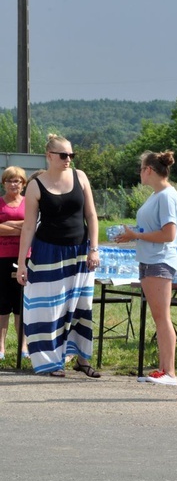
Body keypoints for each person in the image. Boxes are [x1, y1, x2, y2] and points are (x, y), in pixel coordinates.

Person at [16, 134, 101, 378]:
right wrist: (22, 262)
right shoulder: (36, 184)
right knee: (47, 308)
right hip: (47, 251)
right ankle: (51, 362)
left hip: (79, 251)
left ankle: (81, 359)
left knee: (81, 305)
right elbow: (29, 226)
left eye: (71, 155)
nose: (68, 160)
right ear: (49, 156)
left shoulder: (80, 176)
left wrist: (94, 248)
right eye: (63, 155)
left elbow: (92, 216)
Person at [116, 150, 177, 386]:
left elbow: (169, 233)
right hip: (149, 260)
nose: (139, 173)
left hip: (159, 260)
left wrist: (136, 235)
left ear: (149, 170)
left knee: (163, 317)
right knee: (158, 317)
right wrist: (133, 235)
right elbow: (152, 230)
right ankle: (164, 369)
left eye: (141, 169)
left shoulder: (166, 195)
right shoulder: (157, 195)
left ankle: (170, 373)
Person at [0, 167, 29, 361]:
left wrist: (8, 224)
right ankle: (0, 347)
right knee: (2, 304)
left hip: (24, 258)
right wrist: (20, 226)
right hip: (2, 257)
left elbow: (32, 226)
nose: (14, 184)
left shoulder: (29, 203)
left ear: (23, 184)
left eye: (18, 181)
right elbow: (24, 226)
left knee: (21, 304)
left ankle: (23, 346)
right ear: (4, 183)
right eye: (10, 180)